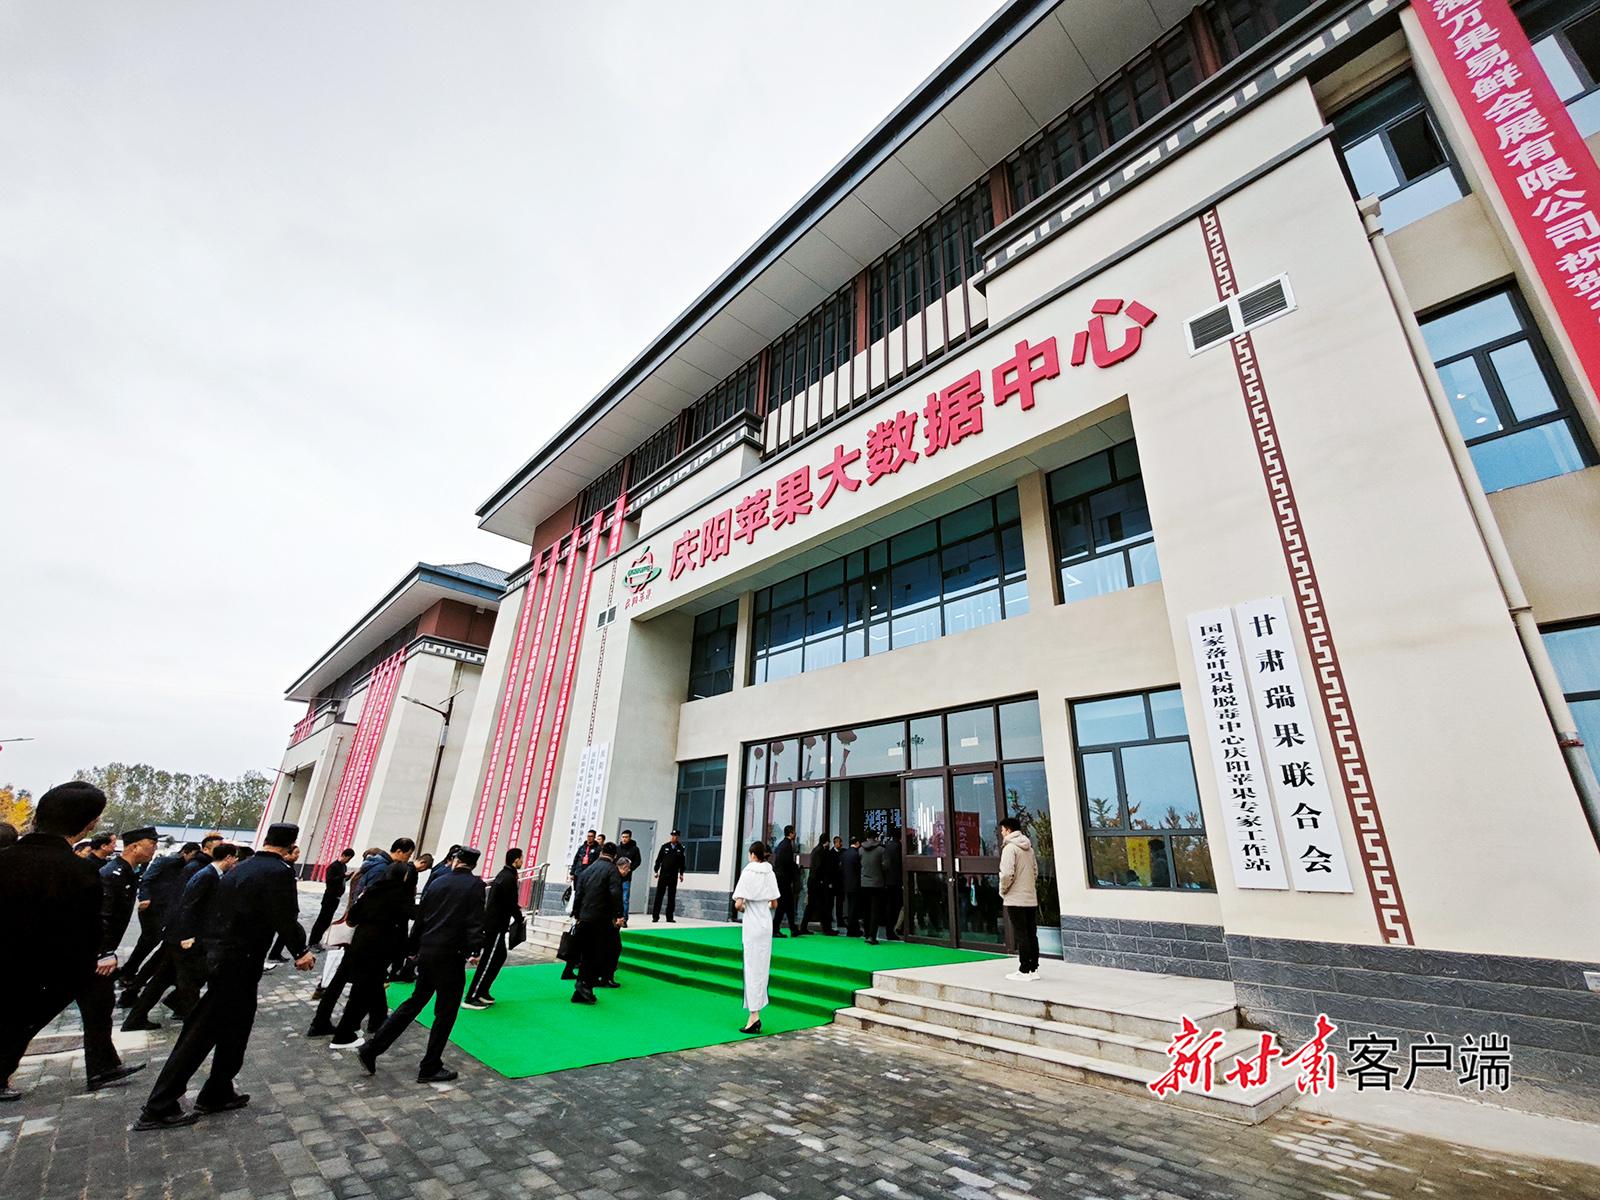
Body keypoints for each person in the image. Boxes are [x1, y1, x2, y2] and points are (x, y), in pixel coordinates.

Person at [134, 823, 315, 1130]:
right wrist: (301, 951)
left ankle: (218, 1090)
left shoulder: (241, 867)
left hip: (223, 956)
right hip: (238, 961)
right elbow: (285, 916)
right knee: (202, 1030)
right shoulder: (278, 872)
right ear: (291, 845)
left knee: (237, 1026)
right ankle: (159, 1105)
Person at [0, 781, 144, 1101]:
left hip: (17, 959)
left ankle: (103, 1064)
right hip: (53, 965)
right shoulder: (78, 871)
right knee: (24, 1021)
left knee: (97, 1000)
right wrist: (101, 955)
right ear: (89, 824)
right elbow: (86, 928)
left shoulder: (7, 859)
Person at [356, 847, 484, 1083]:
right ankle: (430, 1065)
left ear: (455, 861)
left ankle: (372, 1048)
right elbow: (475, 920)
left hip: (427, 951)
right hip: (451, 955)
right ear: (473, 865)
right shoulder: (475, 885)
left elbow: (422, 917)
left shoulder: (437, 882)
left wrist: (413, 948)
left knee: (414, 1002)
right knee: (446, 1012)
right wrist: (475, 950)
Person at [124, 842, 241, 1029]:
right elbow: (188, 905)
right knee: (189, 982)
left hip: (179, 936)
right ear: (228, 858)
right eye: (235, 858)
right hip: (184, 939)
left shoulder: (210, 873)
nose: (235, 862)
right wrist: (187, 935)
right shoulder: (207, 875)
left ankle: (135, 1018)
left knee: (161, 980)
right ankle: (194, 1025)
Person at [327, 861, 412, 1049]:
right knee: (362, 992)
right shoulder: (401, 894)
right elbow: (402, 927)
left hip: (359, 944)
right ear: (404, 876)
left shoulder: (373, 890)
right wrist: (400, 957)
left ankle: (373, 1021)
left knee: (368, 987)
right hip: (380, 949)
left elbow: (353, 916)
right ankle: (343, 1036)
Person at [102, 827, 158, 1000]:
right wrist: (104, 953)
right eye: (152, 844)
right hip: (98, 956)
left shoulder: (129, 872)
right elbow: (103, 916)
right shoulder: (113, 874)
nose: (155, 849)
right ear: (134, 847)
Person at [732, 842, 780, 1035]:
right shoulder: (770, 873)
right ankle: (756, 1012)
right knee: (762, 968)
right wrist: (762, 907)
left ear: (753, 854)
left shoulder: (748, 872)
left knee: (751, 968)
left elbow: (738, 904)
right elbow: (774, 904)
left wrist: (747, 908)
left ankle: (754, 1016)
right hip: (766, 924)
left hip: (752, 924)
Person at [464, 848, 523, 1009]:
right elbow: (511, 903)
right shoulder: (507, 877)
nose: (522, 861)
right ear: (515, 860)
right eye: (521, 858)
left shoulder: (506, 875)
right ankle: (472, 996)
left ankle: (483, 991)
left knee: (499, 956)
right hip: (495, 925)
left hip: (497, 924)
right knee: (489, 959)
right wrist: (519, 918)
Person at [569, 843, 623, 1005]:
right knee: (596, 955)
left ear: (601, 853)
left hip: (585, 917)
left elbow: (579, 893)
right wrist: (619, 915)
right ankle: (584, 987)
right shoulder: (612, 870)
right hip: (600, 919)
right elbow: (615, 893)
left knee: (586, 954)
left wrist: (577, 913)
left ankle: (581, 989)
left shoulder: (588, 870)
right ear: (614, 856)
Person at [998, 817, 1040, 981]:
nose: (1001, 833)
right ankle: (1033, 968)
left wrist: (1003, 890)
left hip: (1015, 898)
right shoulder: (1029, 848)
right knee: (1031, 933)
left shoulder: (1010, 848)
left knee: (1021, 934)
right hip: (1030, 897)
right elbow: (1035, 871)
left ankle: (1024, 970)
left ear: (1008, 830)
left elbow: (1006, 874)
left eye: (1002, 830)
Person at [309, 847, 355, 948]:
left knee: (327, 922)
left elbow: (341, 881)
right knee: (322, 920)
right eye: (348, 858)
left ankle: (317, 941)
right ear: (344, 855)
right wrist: (343, 875)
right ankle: (312, 942)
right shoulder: (333, 866)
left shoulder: (344, 867)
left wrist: (348, 877)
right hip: (329, 897)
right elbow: (329, 880)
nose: (348, 861)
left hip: (336, 898)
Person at [798, 835, 836, 935]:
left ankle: (803, 927)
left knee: (811, 905)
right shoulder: (821, 851)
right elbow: (819, 868)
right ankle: (826, 928)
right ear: (826, 842)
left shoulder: (816, 850)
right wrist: (823, 881)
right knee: (824, 905)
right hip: (818, 883)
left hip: (813, 882)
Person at [771, 825, 803, 937]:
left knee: (789, 905)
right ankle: (775, 929)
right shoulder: (787, 846)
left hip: (782, 880)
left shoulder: (782, 845)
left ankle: (793, 928)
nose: (795, 834)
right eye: (794, 832)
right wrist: (796, 869)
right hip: (784, 880)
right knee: (782, 905)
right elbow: (787, 863)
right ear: (790, 833)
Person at [650, 830, 686, 923]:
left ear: (678, 837)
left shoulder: (681, 848)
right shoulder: (665, 847)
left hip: (673, 875)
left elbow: (682, 862)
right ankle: (655, 916)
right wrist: (656, 870)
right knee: (659, 895)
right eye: (673, 835)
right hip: (663, 874)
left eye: (676, 836)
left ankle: (669, 917)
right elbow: (659, 860)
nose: (674, 837)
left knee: (671, 896)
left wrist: (681, 873)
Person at [858, 831, 886, 944]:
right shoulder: (881, 850)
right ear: (876, 837)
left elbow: (859, 864)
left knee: (866, 910)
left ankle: (866, 933)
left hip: (864, 883)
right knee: (875, 910)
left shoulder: (860, 850)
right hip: (877, 883)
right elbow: (886, 865)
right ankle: (872, 936)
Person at [614, 830, 642, 923]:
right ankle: (615, 918)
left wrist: (630, 869)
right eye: (623, 837)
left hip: (626, 878)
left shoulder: (634, 849)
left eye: (626, 837)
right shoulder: (617, 848)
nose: (624, 839)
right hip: (616, 877)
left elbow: (638, 861)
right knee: (614, 897)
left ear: (630, 838)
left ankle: (624, 919)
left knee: (625, 899)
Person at [881, 830, 904, 941]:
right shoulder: (899, 847)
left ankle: (889, 930)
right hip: (896, 881)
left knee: (889, 906)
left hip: (887, 881)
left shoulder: (887, 846)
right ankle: (894, 930)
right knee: (896, 907)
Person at [837, 836, 862, 937]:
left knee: (850, 906)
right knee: (854, 907)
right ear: (857, 843)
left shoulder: (845, 854)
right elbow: (859, 869)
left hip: (846, 884)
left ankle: (851, 928)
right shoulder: (857, 854)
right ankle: (852, 929)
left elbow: (841, 869)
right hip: (855, 884)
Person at [830, 835, 847, 928]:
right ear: (835, 843)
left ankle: (840, 920)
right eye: (839, 842)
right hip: (833, 882)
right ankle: (830, 919)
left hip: (841, 882)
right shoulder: (830, 854)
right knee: (831, 903)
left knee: (840, 903)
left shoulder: (844, 852)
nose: (841, 844)